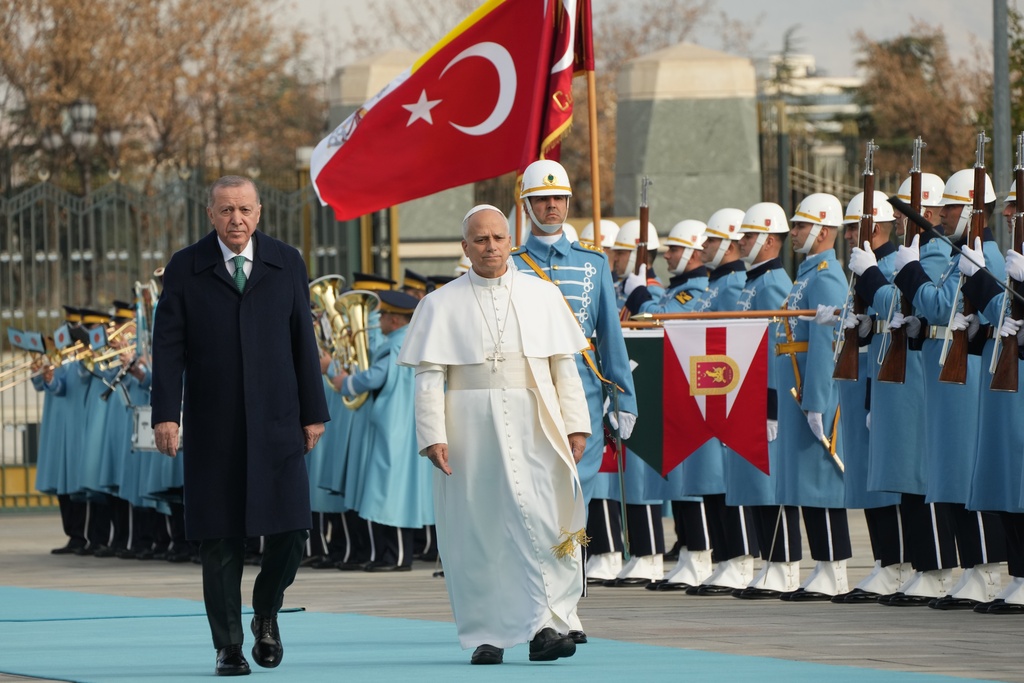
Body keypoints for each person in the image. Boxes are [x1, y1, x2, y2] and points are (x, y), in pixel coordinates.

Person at [151, 175, 329, 676]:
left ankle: (266, 613)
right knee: (221, 538)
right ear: (210, 215)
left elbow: (303, 340)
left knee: (293, 531)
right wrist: (166, 413)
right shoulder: (187, 266)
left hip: (279, 420)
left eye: (245, 210)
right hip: (214, 424)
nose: (236, 220)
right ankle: (227, 645)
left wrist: (314, 412)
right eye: (226, 210)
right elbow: (166, 347)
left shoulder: (285, 260)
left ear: (259, 213)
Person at [398, 204, 590, 665]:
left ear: (511, 241)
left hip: (535, 419)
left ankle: (548, 624)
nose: (490, 247)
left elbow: (565, 366)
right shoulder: (439, 303)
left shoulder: (542, 296)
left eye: (498, 238)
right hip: (469, 427)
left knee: (545, 518)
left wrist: (577, 425)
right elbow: (428, 377)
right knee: (479, 529)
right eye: (480, 240)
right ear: (465, 247)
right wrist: (432, 435)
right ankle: (489, 633)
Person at [509, 160, 637, 591]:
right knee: (531, 496)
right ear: (526, 206)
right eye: (542, 199)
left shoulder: (593, 263)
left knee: (576, 496)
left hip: (580, 397)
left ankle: (568, 588)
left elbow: (610, 339)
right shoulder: (511, 265)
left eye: (559, 198)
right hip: (526, 394)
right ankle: (535, 586)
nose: (552, 207)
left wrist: (625, 399)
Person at [332, 289, 433, 572]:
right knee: (386, 491)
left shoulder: (397, 344)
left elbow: (377, 376)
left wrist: (346, 382)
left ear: (396, 320)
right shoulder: (407, 341)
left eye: (385, 316)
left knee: (393, 493)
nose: (380, 322)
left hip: (394, 426)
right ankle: (385, 555)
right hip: (398, 424)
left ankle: (398, 556)